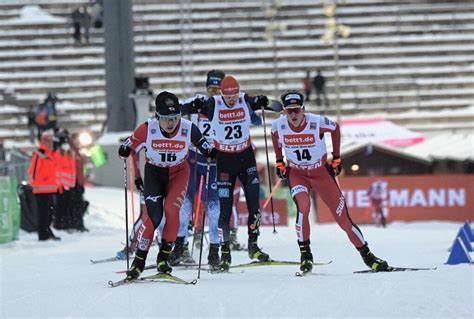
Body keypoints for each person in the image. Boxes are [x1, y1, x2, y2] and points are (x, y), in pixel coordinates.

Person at [270, 90, 389, 273]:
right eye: (289, 111)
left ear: (303, 109)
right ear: (284, 111)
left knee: (344, 221)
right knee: (303, 208)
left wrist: (337, 158)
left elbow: (335, 129)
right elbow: (275, 138)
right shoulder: (278, 125)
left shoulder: (316, 121)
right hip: (298, 174)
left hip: (321, 174)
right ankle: (306, 255)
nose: (293, 115)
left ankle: (368, 256)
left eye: (296, 110)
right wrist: (279, 161)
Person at [118, 91, 217, 280]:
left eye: (175, 118)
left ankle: (164, 257)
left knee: (172, 211)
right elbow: (127, 147)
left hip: (178, 174)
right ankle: (139, 261)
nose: (171, 123)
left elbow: (205, 147)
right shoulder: (147, 128)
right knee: (153, 217)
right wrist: (124, 150)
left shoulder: (189, 128)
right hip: (155, 174)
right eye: (166, 119)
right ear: (158, 117)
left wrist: (211, 152)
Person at [182, 75, 277, 272]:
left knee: (254, 207)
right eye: (228, 96)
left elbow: (275, 106)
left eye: (234, 95)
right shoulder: (213, 103)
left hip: (246, 157)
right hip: (224, 160)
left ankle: (253, 246)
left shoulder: (244, 99)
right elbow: (185, 109)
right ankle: (224, 252)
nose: (232, 99)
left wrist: (264, 101)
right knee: (224, 211)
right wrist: (193, 105)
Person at [171, 69, 226, 270]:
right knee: (185, 204)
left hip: (214, 160)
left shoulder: (227, 104)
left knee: (213, 206)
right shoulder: (197, 100)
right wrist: (187, 107)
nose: (214, 93)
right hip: (193, 158)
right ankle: (179, 247)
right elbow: (171, 111)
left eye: (218, 89)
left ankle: (214, 250)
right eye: (211, 88)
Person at [28, 131, 61, 241]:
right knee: (43, 214)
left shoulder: (51, 154)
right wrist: (34, 184)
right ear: (43, 141)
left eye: (51, 141)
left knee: (49, 213)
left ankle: (47, 231)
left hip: (50, 188)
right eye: (48, 141)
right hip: (41, 189)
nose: (50, 143)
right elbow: (33, 171)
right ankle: (43, 235)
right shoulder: (39, 154)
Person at [70, 133, 89, 231]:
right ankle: (77, 224)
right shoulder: (71, 152)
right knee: (77, 204)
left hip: (79, 182)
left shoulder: (78, 152)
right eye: (75, 140)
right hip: (74, 182)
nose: (77, 142)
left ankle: (78, 224)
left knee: (79, 204)